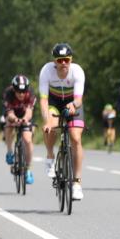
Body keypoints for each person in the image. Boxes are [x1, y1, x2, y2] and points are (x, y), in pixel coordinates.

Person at [39, 42, 86, 201]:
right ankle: (50, 156)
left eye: (66, 59)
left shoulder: (77, 71)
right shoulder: (46, 71)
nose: (63, 63)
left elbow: (79, 99)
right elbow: (44, 100)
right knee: (50, 127)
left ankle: (77, 184)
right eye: (60, 60)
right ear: (55, 61)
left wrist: (73, 105)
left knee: (76, 138)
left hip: (73, 103)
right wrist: (46, 119)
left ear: (71, 59)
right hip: (54, 102)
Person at [3, 74, 37, 185]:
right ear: (13, 89)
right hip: (13, 114)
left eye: (24, 91)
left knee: (27, 140)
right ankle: (9, 152)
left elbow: (29, 111)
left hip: (25, 115)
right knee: (8, 127)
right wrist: (15, 120)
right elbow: (9, 113)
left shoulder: (30, 93)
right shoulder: (8, 94)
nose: (21, 94)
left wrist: (24, 119)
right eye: (18, 91)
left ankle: (28, 169)